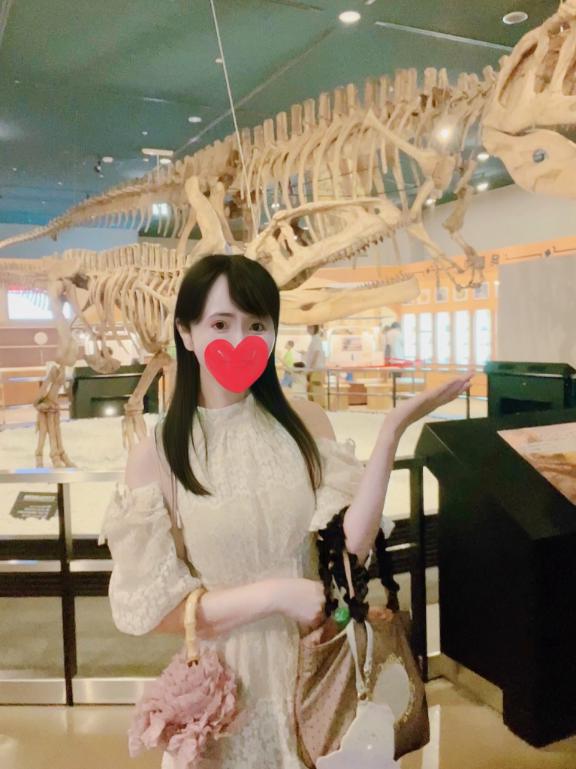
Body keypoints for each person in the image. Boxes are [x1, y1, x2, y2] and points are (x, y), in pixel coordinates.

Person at [99, 253, 471, 768]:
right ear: (186, 332)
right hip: (228, 694)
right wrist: (276, 595)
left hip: (319, 673)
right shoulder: (157, 455)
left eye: (256, 325)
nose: (239, 339)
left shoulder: (305, 423)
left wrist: (391, 431)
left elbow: (352, 545)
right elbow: (154, 609)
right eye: (220, 324)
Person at [305, 324, 326, 405]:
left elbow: (316, 354)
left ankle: (318, 406)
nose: (307, 329)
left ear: (313, 328)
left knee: (315, 389)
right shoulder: (314, 339)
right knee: (311, 389)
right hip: (314, 369)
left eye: (309, 327)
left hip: (316, 369)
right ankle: (314, 406)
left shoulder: (316, 339)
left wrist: (311, 368)